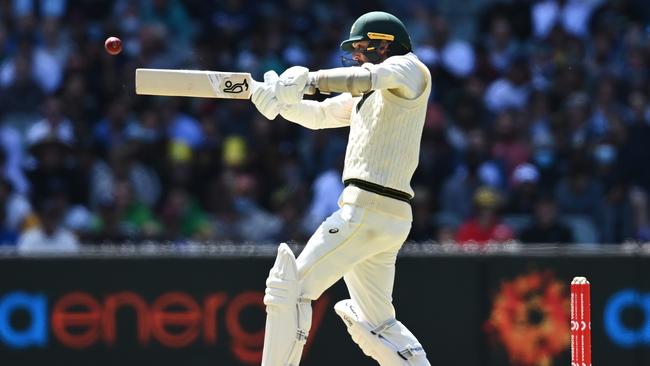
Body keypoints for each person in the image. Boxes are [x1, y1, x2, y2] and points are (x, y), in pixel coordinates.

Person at [251, 11, 432, 366]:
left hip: (366, 210)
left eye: (364, 47)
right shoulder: (371, 93)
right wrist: (277, 101)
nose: (359, 55)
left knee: (289, 290)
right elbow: (319, 116)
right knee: (377, 325)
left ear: (386, 44)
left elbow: (364, 77)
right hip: (384, 218)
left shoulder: (409, 68)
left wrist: (309, 79)